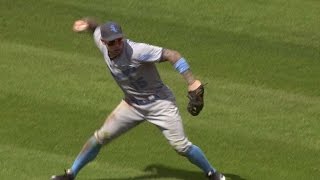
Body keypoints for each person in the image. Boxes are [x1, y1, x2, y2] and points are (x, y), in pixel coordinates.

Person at [51, 17, 225, 180]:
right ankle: (71, 174)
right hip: (132, 104)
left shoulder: (138, 51)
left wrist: (192, 82)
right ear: (104, 42)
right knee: (100, 137)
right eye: (112, 42)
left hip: (160, 103)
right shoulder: (101, 42)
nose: (117, 44)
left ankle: (212, 173)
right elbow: (95, 27)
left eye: (120, 39)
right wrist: (86, 23)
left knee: (181, 147)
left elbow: (173, 55)